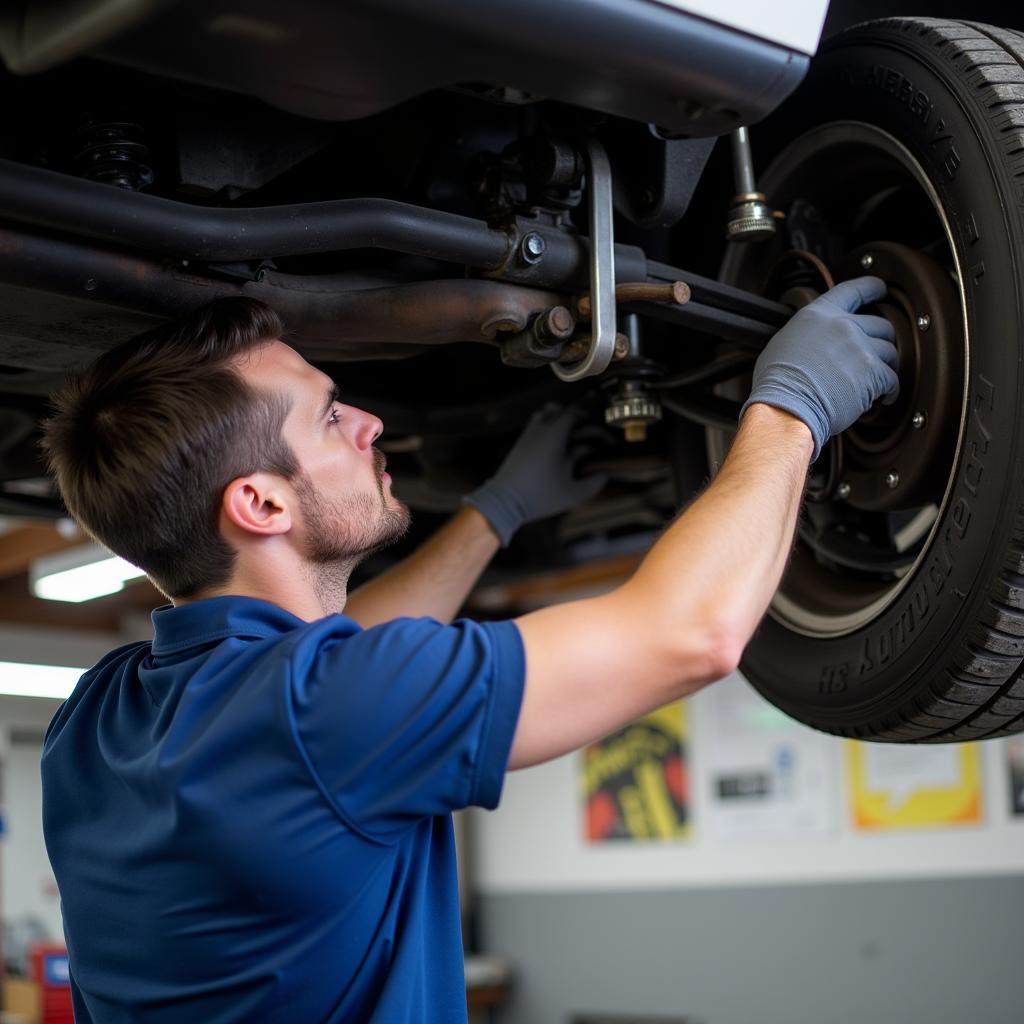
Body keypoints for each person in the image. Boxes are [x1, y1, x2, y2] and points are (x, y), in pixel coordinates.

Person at [39, 276, 898, 1023]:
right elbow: (692, 634)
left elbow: (337, 664)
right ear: (261, 505)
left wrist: (497, 510)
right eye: (331, 417)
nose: (371, 423)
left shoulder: (100, 716)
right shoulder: (319, 710)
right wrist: (792, 409)